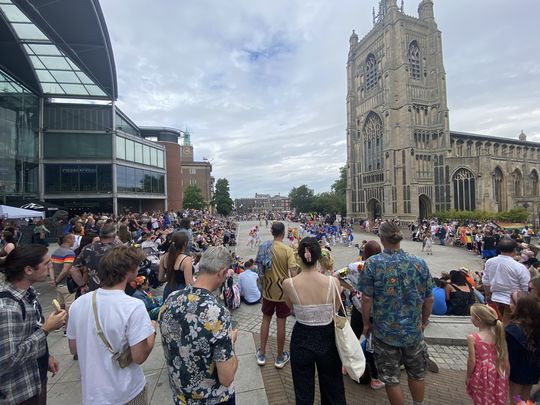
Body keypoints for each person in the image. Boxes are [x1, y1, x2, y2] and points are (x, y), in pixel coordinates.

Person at [67, 245, 157, 405]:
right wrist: (152, 332)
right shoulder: (133, 306)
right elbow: (139, 356)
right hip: (126, 392)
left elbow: (74, 348)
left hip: (93, 395)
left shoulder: (78, 304)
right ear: (130, 270)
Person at [359, 221, 434, 405]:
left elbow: (366, 299)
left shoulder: (373, 263)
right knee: (417, 374)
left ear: (382, 239)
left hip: (385, 332)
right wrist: (423, 321)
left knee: (391, 379)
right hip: (413, 331)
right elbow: (429, 299)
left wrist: (366, 324)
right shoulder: (419, 263)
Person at [160, 246, 238, 404]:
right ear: (222, 272)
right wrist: (230, 341)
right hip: (212, 399)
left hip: (181, 396)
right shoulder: (217, 313)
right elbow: (226, 377)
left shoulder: (171, 299)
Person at [282, 237, 346, 404]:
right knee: (333, 386)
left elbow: (290, 308)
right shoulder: (333, 282)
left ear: (300, 257)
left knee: (303, 390)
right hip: (327, 336)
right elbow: (335, 309)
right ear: (318, 257)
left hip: (302, 336)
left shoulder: (289, 284)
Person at [0, 245, 66, 405]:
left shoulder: (28, 294)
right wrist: (45, 330)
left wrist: (44, 356)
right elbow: (7, 359)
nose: (51, 266)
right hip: (18, 392)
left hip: (34, 379)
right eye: (46, 263)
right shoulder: (8, 307)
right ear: (28, 270)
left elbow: (28, 333)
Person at [257, 222, 297, 369]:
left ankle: (261, 354)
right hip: (283, 293)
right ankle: (279, 357)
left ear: (272, 232)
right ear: (284, 233)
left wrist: (262, 287)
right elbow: (293, 274)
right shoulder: (288, 250)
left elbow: (260, 270)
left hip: (267, 290)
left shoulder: (264, 247)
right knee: (281, 323)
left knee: (265, 320)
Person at [466, 303, 509, 405]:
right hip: (497, 371)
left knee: (481, 398)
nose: (471, 318)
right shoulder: (498, 334)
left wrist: (468, 376)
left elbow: (472, 360)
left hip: (481, 373)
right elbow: (504, 356)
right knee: (495, 397)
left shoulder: (472, 338)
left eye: (472, 316)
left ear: (478, 320)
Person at [482, 238, 530, 324]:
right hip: (511, 300)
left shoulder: (490, 262)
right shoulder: (519, 267)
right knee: (506, 324)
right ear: (515, 250)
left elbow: (486, 281)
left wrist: (488, 295)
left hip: (495, 297)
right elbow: (525, 286)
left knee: (495, 323)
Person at [505, 295, 540, 405]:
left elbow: (510, 353)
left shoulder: (512, 329)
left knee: (515, 397)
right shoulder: (536, 325)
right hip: (533, 368)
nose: (509, 304)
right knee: (526, 394)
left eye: (512, 302)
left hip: (517, 370)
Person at [71, 223, 119, 292]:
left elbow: (73, 270)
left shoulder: (88, 248)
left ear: (100, 235)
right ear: (114, 235)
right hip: (116, 289)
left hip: (93, 289)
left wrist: (82, 285)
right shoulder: (119, 250)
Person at [49, 233, 77, 334]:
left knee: (59, 306)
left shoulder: (55, 252)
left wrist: (53, 280)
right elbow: (66, 270)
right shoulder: (69, 253)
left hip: (58, 285)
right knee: (69, 307)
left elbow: (51, 267)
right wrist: (57, 281)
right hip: (66, 284)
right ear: (68, 240)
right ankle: (67, 329)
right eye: (73, 239)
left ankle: (58, 325)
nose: (75, 241)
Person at [159, 231, 193, 301]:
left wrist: (170, 277)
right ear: (185, 243)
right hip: (181, 292)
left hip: (168, 289)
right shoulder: (186, 260)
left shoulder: (164, 257)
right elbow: (189, 285)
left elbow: (160, 278)